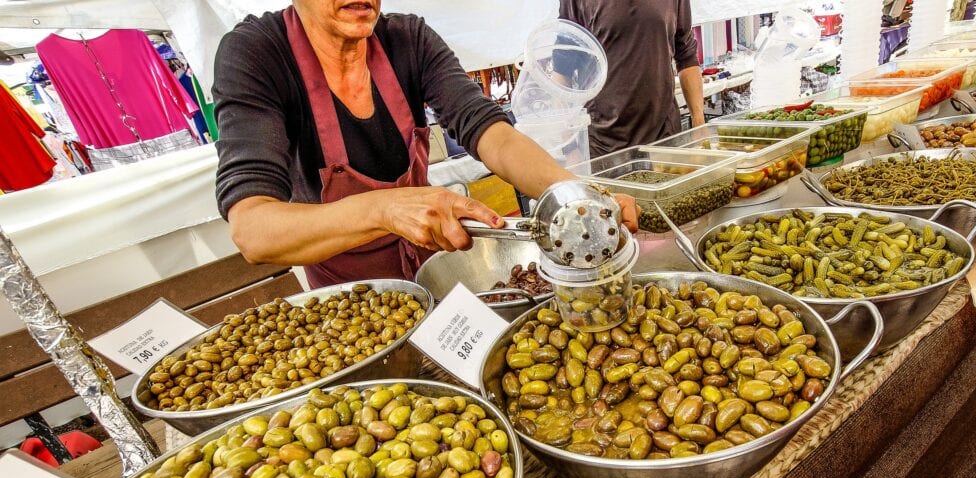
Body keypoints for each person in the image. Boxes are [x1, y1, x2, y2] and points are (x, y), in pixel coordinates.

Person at [213, 0, 638, 288]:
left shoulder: (407, 38)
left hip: (432, 270)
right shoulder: (256, 53)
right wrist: (386, 209)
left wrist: (575, 196)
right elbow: (253, 230)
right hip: (352, 296)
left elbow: (491, 132)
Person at [558, 0, 706, 157]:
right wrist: (569, 149)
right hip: (603, 147)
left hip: (663, 139)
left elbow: (686, 54)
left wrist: (699, 121)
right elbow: (562, 69)